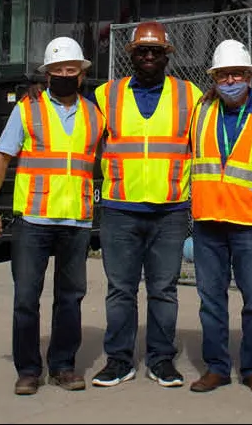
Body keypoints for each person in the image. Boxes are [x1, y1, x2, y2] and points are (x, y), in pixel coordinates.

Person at [0, 37, 105, 396]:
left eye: (71, 70)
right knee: (25, 298)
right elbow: (2, 157)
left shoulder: (95, 115)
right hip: (34, 219)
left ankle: (63, 366)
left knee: (71, 297)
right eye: (58, 70)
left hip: (76, 220)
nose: (65, 75)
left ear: (81, 75)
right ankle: (29, 370)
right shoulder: (27, 109)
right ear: (47, 74)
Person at [90, 21, 202, 389]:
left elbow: (223, 112)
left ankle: (161, 360)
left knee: (164, 290)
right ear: (132, 56)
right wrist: (37, 92)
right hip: (120, 209)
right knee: (120, 289)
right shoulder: (107, 95)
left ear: (167, 55)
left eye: (156, 51)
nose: (149, 55)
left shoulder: (191, 95)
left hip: (169, 211)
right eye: (142, 50)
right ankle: (119, 360)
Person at [187, 40, 252, 395]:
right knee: (211, 300)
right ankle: (216, 368)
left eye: (237, 74)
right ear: (213, 79)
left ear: (249, 76)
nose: (231, 81)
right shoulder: (199, 111)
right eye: (223, 75)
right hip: (209, 220)